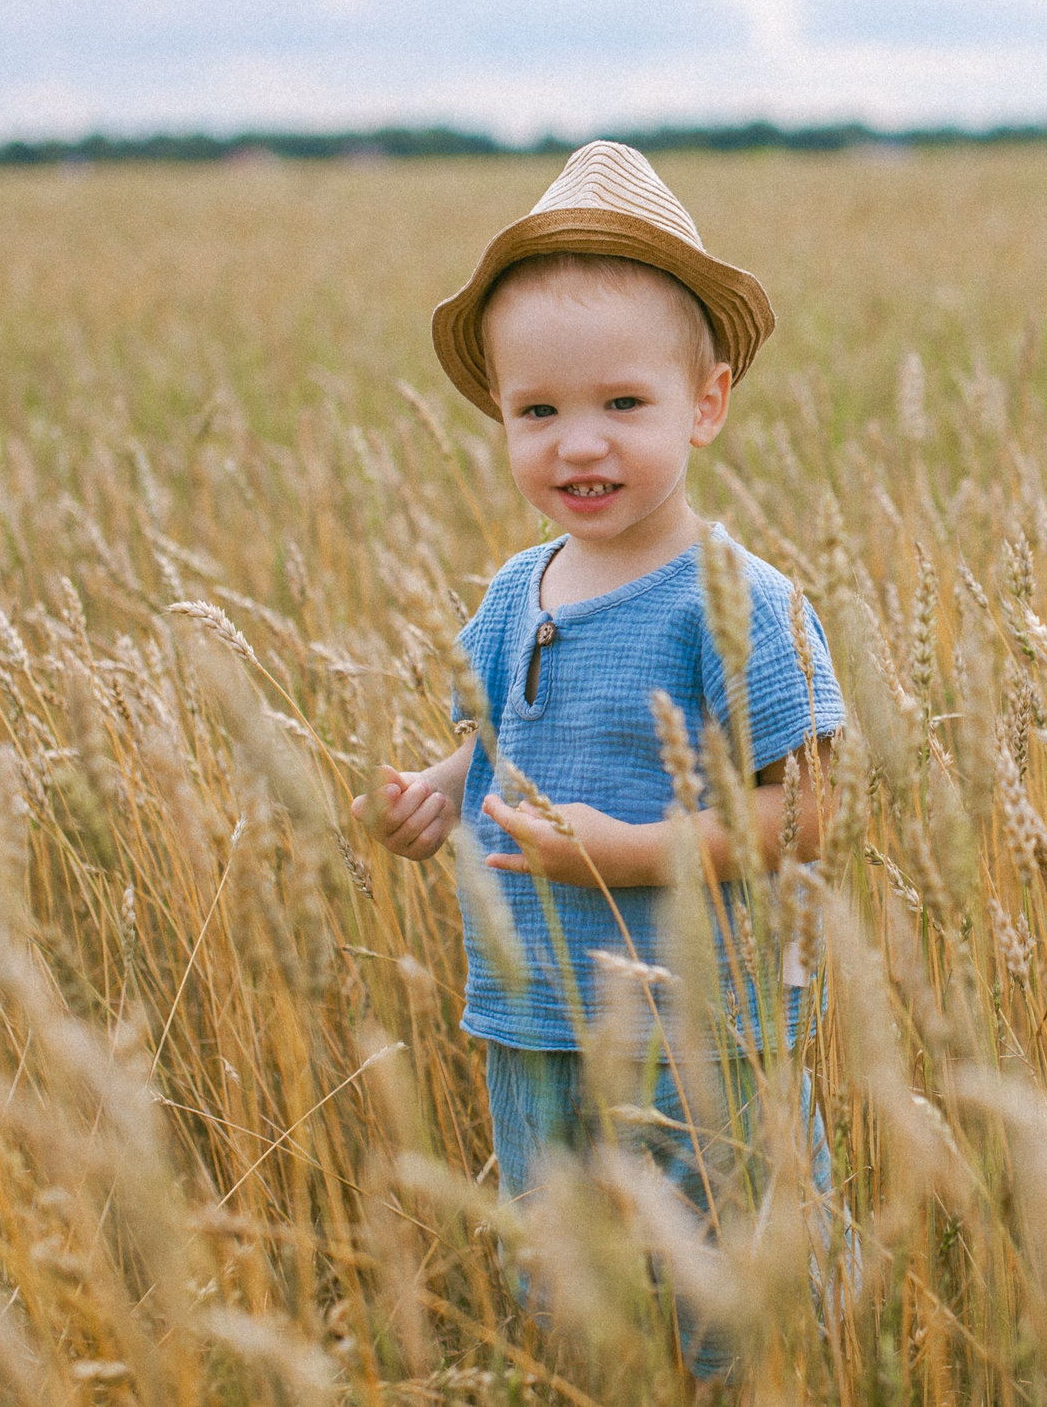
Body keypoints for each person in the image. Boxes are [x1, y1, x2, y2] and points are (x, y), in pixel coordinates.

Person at [351, 141, 845, 1378]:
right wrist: (435, 788)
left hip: (701, 1026)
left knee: (731, 1298)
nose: (579, 445)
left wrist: (629, 854)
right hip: (533, 1015)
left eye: (623, 405)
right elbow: (499, 739)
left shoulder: (734, 601)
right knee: (569, 1294)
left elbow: (814, 812)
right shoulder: (518, 590)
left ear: (708, 404)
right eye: (538, 412)